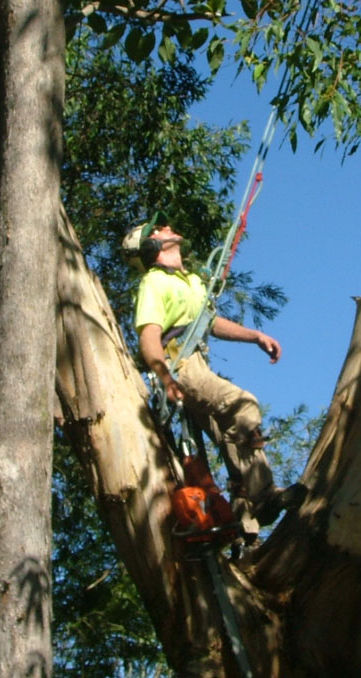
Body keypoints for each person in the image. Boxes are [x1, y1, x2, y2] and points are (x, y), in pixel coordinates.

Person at [124, 217, 305, 534]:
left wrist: (255, 336)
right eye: (158, 230)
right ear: (151, 246)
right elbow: (149, 337)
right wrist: (165, 377)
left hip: (196, 365)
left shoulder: (191, 281)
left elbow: (210, 322)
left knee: (229, 434)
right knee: (242, 406)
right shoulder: (154, 282)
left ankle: (242, 515)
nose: (167, 228)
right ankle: (264, 494)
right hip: (180, 365)